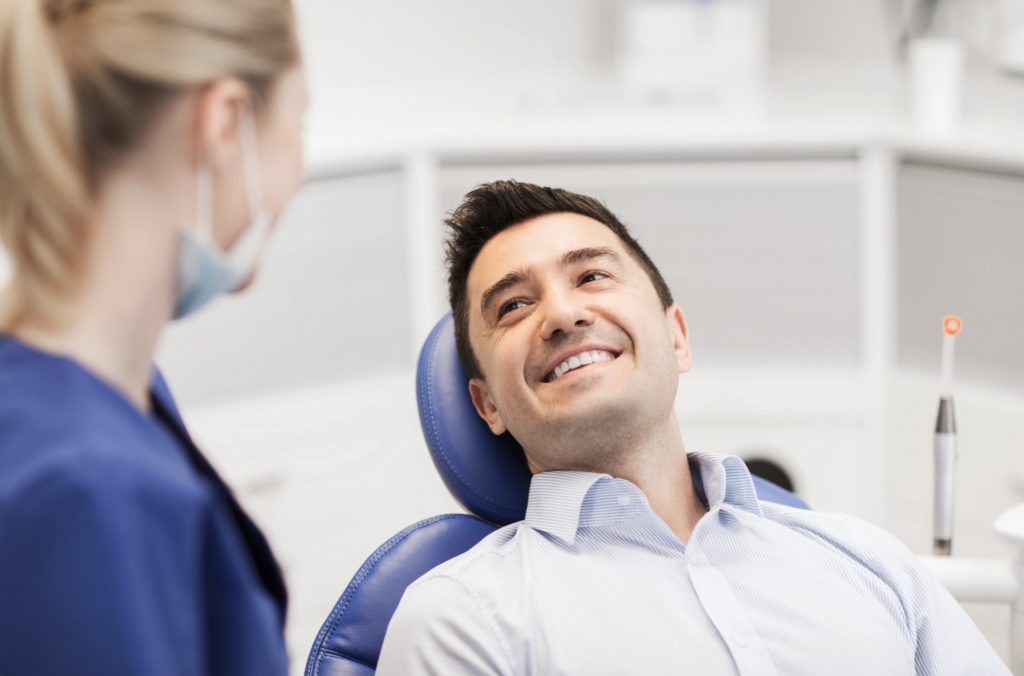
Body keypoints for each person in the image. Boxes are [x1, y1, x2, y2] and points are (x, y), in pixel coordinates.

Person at [375, 181, 1008, 675]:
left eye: (591, 275)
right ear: (487, 405)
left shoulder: (864, 559)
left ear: (676, 337)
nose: (563, 314)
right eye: (514, 305)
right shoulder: (460, 620)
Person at [0, 1, 307, 674]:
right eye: (299, 115)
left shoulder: (106, 408)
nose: (300, 170)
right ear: (226, 122)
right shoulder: (85, 488)